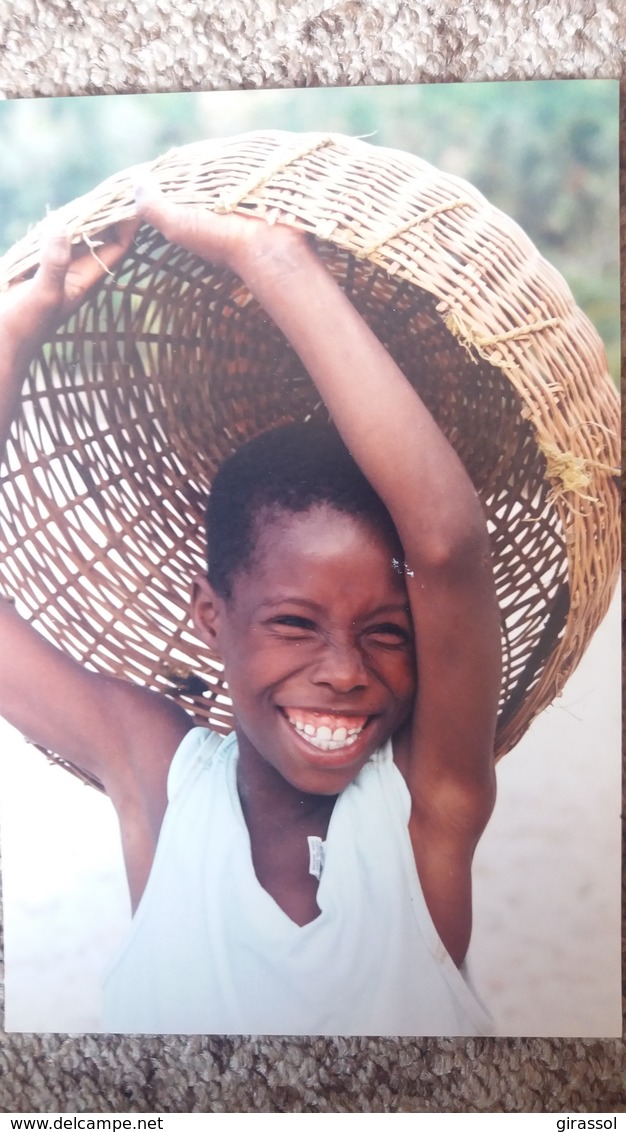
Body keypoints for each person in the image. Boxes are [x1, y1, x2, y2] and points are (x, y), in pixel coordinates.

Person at [0, 186, 501, 1035]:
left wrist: (272, 258)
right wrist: (26, 318)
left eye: (385, 632)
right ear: (211, 616)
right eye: (294, 624)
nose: (345, 671)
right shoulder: (163, 780)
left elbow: (448, 549)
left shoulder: (424, 808)